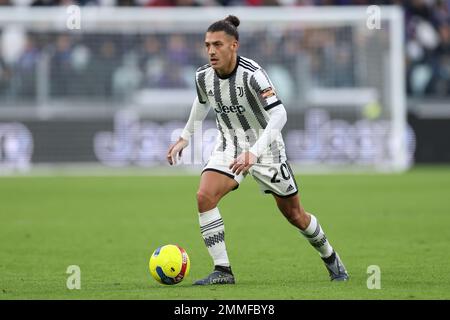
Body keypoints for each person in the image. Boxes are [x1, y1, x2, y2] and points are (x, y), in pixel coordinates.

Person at [167, 15, 349, 285]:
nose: (211, 51)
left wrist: (254, 152)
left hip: (267, 149)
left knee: (295, 215)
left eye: (218, 45)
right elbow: (202, 102)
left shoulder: (254, 75)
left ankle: (331, 257)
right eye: (207, 45)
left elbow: (280, 115)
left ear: (234, 46)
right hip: (229, 144)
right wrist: (184, 137)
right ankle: (223, 271)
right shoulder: (203, 75)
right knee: (204, 196)